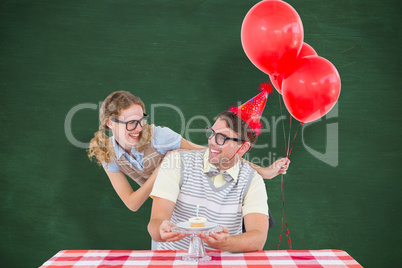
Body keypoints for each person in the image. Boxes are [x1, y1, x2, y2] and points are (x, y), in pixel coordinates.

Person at [88, 91, 289, 214]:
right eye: (131, 122)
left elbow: (211, 153)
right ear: (110, 123)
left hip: (204, 192)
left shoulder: (159, 137)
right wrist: (162, 170)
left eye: (142, 120)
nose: (139, 127)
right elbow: (132, 203)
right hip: (177, 206)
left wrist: (263, 171)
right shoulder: (107, 154)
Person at [148, 84, 284, 252]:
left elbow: (258, 238)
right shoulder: (177, 162)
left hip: (222, 262)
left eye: (221, 138)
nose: (211, 141)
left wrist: (224, 243)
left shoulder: (252, 180)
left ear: (243, 148)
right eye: (211, 133)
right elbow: (156, 223)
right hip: (175, 260)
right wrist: (160, 230)